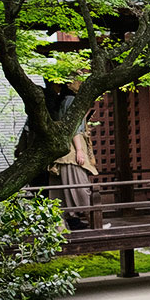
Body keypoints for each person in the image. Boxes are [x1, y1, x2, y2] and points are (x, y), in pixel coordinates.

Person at [50, 78, 99, 230]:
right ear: (69, 84)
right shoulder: (71, 100)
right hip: (71, 153)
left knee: (59, 192)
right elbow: (73, 128)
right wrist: (79, 150)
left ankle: (61, 226)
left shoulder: (63, 100)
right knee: (81, 188)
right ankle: (96, 223)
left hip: (62, 153)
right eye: (77, 80)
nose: (81, 83)